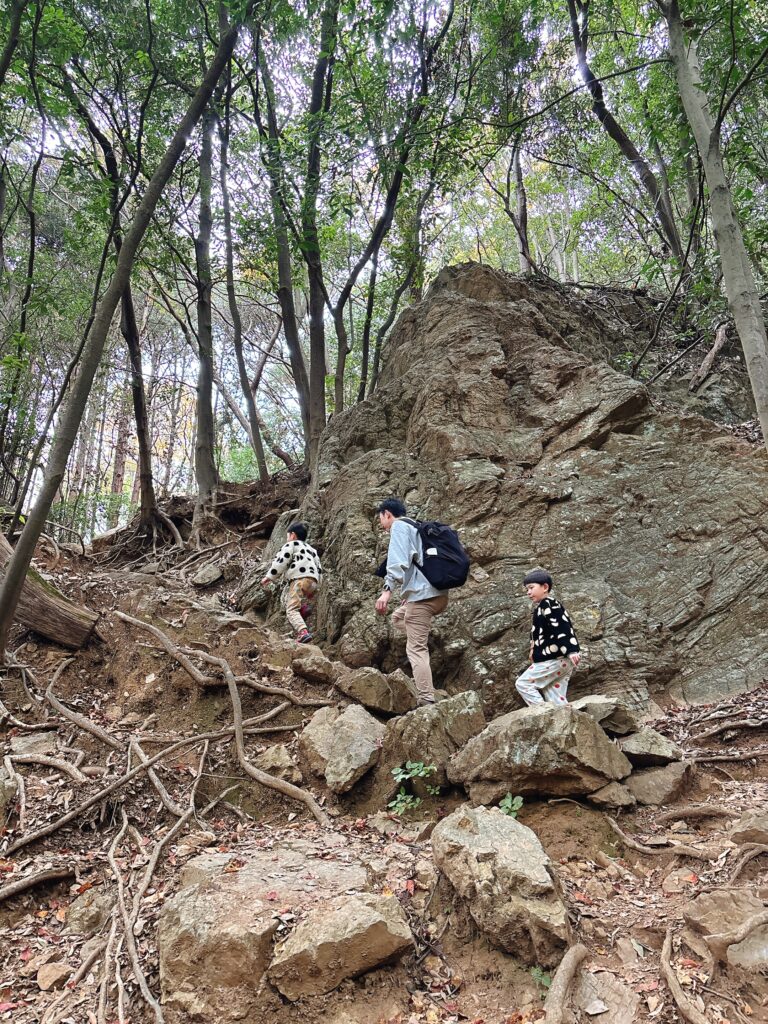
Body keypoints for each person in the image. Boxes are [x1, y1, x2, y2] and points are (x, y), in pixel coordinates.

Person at [374, 498, 448, 706]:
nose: (382, 525)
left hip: (424, 597)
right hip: (439, 595)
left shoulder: (399, 526)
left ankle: (426, 699)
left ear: (387, 514)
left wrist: (387, 591)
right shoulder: (417, 527)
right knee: (398, 617)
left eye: (381, 519)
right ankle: (421, 636)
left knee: (416, 649)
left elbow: (398, 561)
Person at [515, 568, 581, 706]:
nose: (528, 592)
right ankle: (566, 722)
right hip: (561, 660)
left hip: (554, 658)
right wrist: (533, 649)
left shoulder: (549, 604)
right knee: (556, 698)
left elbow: (562, 626)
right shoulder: (541, 608)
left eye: (531, 588)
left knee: (523, 683)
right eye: (527, 589)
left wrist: (571, 650)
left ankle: (544, 713)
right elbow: (536, 633)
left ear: (545, 587)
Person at [261, 522, 322, 644]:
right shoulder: (312, 550)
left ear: (293, 535)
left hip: (299, 579)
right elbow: (319, 568)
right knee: (299, 603)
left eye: (287, 536)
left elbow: (281, 561)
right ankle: (304, 610)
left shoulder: (291, 545)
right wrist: (316, 587)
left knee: (291, 609)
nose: (287, 539)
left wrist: (269, 577)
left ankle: (302, 632)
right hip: (313, 580)